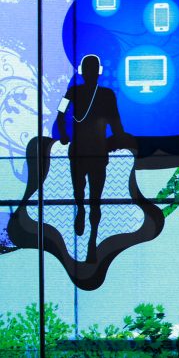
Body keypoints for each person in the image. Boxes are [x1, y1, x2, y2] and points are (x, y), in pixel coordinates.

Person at [56, 54, 129, 263]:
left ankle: (83, 217)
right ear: (98, 71)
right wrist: (121, 139)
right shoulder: (106, 94)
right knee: (93, 198)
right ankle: (90, 238)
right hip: (95, 151)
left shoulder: (75, 92)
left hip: (82, 150)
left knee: (82, 191)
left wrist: (63, 134)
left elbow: (60, 114)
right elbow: (116, 123)